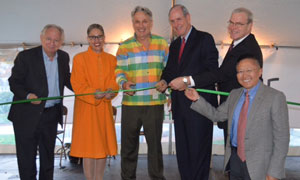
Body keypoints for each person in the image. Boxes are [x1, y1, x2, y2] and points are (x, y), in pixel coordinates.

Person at [185, 55, 289, 180]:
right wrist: (197, 99)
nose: (244, 76)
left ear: (260, 71)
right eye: (240, 72)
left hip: (261, 164)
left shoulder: (275, 97)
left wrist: (274, 171)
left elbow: (282, 137)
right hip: (234, 160)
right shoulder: (234, 94)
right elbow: (216, 115)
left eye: (249, 70)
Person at [156, 4, 218, 180]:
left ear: (188, 18)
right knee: (183, 156)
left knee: (199, 157)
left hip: (199, 108)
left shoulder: (205, 39)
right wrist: (164, 81)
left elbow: (213, 72)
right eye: (172, 21)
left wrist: (187, 81)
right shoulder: (175, 45)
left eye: (179, 19)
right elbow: (170, 71)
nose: (176, 24)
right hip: (180, 109)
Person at [8, 24, 72, 180]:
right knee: (26, 160)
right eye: (49, 39)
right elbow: (14, 82)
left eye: (56, 40)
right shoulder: (26, 57)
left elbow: (69, 81)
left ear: (61, 41)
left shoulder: (63, 57)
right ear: (42, 38)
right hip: (26, 116)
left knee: (48, 160)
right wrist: (28, 95)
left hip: (50, 115)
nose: (52, 43)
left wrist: (90, 90)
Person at [192, 7, 263, 146]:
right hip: (231, 109)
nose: (233, 27)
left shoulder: (247, 47)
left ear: (250, 26)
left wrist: (189, 80)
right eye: (231, 22)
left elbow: (222, 74)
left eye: (239, 24)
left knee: (237, 156)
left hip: (242, 111)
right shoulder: (238, 43)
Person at [115, 6, 169, 180]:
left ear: (151, 23)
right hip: (131, 105)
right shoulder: (124, 46)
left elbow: (169, 70)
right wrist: (123, 83)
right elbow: (119, 71)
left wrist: (167, 85)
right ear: (132, 23)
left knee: (155, 148)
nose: (141, 25)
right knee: (129, 148)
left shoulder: (162, 44)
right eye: (137, 21)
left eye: (144, 21)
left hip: (154, 105)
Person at [70, 24, 118, 180]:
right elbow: (77, 84)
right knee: (89, 149)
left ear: (104, 38)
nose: (96, 40)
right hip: (86, 109)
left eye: (99, 37)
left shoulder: (111, 59)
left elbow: (114, 81)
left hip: (104, 108)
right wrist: (93, 93)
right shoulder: (79, 59)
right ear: (88, 39)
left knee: (102, 147)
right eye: (93, 37)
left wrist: (112, 91)